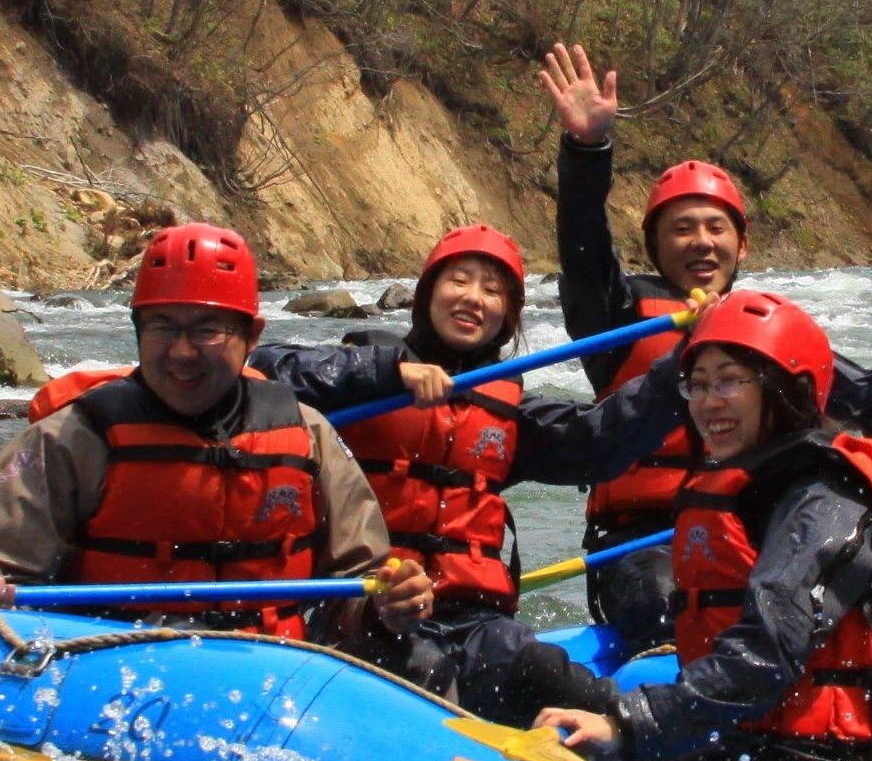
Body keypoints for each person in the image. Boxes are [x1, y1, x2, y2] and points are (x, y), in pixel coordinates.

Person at [537, 40, 872, 656]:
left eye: (717, 228)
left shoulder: (764, 329)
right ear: (655, 245)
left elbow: (864, 393)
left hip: (755, 519)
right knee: (670, 609)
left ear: (743, 243)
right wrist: (586, 150)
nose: (701, 242)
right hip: (643, 541)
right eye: (681, 229)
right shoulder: (617, 314)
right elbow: (581, 244)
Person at [531, 290, 872, 761]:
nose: (710, 401)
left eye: (730, 380)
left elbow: (769, 648)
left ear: (786, 388)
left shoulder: (828, 495)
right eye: (699, 385)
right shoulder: (760, 479)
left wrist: (627, 723)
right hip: (751, 741)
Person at [246, 222, 688, 722]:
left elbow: (602, 440)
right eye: (459, 280)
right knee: (426, 670)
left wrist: (685, 366)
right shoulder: (361, 369)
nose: (474, 298)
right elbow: (264, 367)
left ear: (508, 317)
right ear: (427, 293)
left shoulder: (506, 405)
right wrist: (386, 371)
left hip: (475, 621)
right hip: (370, 610)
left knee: (540, 667)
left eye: (492, 290)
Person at [0, 223, 436, 642]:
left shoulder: (307, 435)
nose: (181, 352)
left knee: (421, 660)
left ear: (253, 336)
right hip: (113, 669)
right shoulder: (73, 438)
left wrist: (388, 604)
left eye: (207, 330)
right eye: (162, 327)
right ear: (137, 330)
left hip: (275, 669)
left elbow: (358, 582)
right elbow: (0, 589)